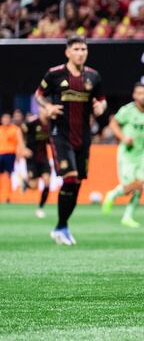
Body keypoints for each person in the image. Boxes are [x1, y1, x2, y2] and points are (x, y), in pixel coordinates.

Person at [35, 35, 106, 245]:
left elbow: (101, 98)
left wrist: (101, 106)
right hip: (60, 134)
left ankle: (61, 226)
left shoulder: (93, 76)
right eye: (76, 49)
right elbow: (39, 94)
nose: (80, 53)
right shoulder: (55, 74)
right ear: (67, 52)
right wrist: (47, 107)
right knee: (70, 177)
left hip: (83, 136)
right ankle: (61, 227)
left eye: (83, 49)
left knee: (77, 183)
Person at [101, 83, 144, 228]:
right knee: (129, 187)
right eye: (139, 93)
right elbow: (113, 123)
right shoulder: (127, 110)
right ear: (134, 95)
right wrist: (123, 137)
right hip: (127, 153)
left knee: (140, 186)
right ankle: (112, 195)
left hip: (141, 153)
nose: (143, 96)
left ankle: (127, 217)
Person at [21, 110, 51, 218]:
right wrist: (23, 148)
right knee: (34, 186)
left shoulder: (50, 123)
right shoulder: (32, 122)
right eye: (43, 109)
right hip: (32, 158)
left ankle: (40, 208)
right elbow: (20, 131)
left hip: (44, 158)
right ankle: (26, 182)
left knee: (47, 182)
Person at [0, 113, 29, 203]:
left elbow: (20, 142)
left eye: (8, 118)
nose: (6, 120)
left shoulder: (15, 129)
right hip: (0, 154)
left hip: (10, 154)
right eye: (4, 118)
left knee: (9, 175)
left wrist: (20, 153)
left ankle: (8, 196)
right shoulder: (0, 129)